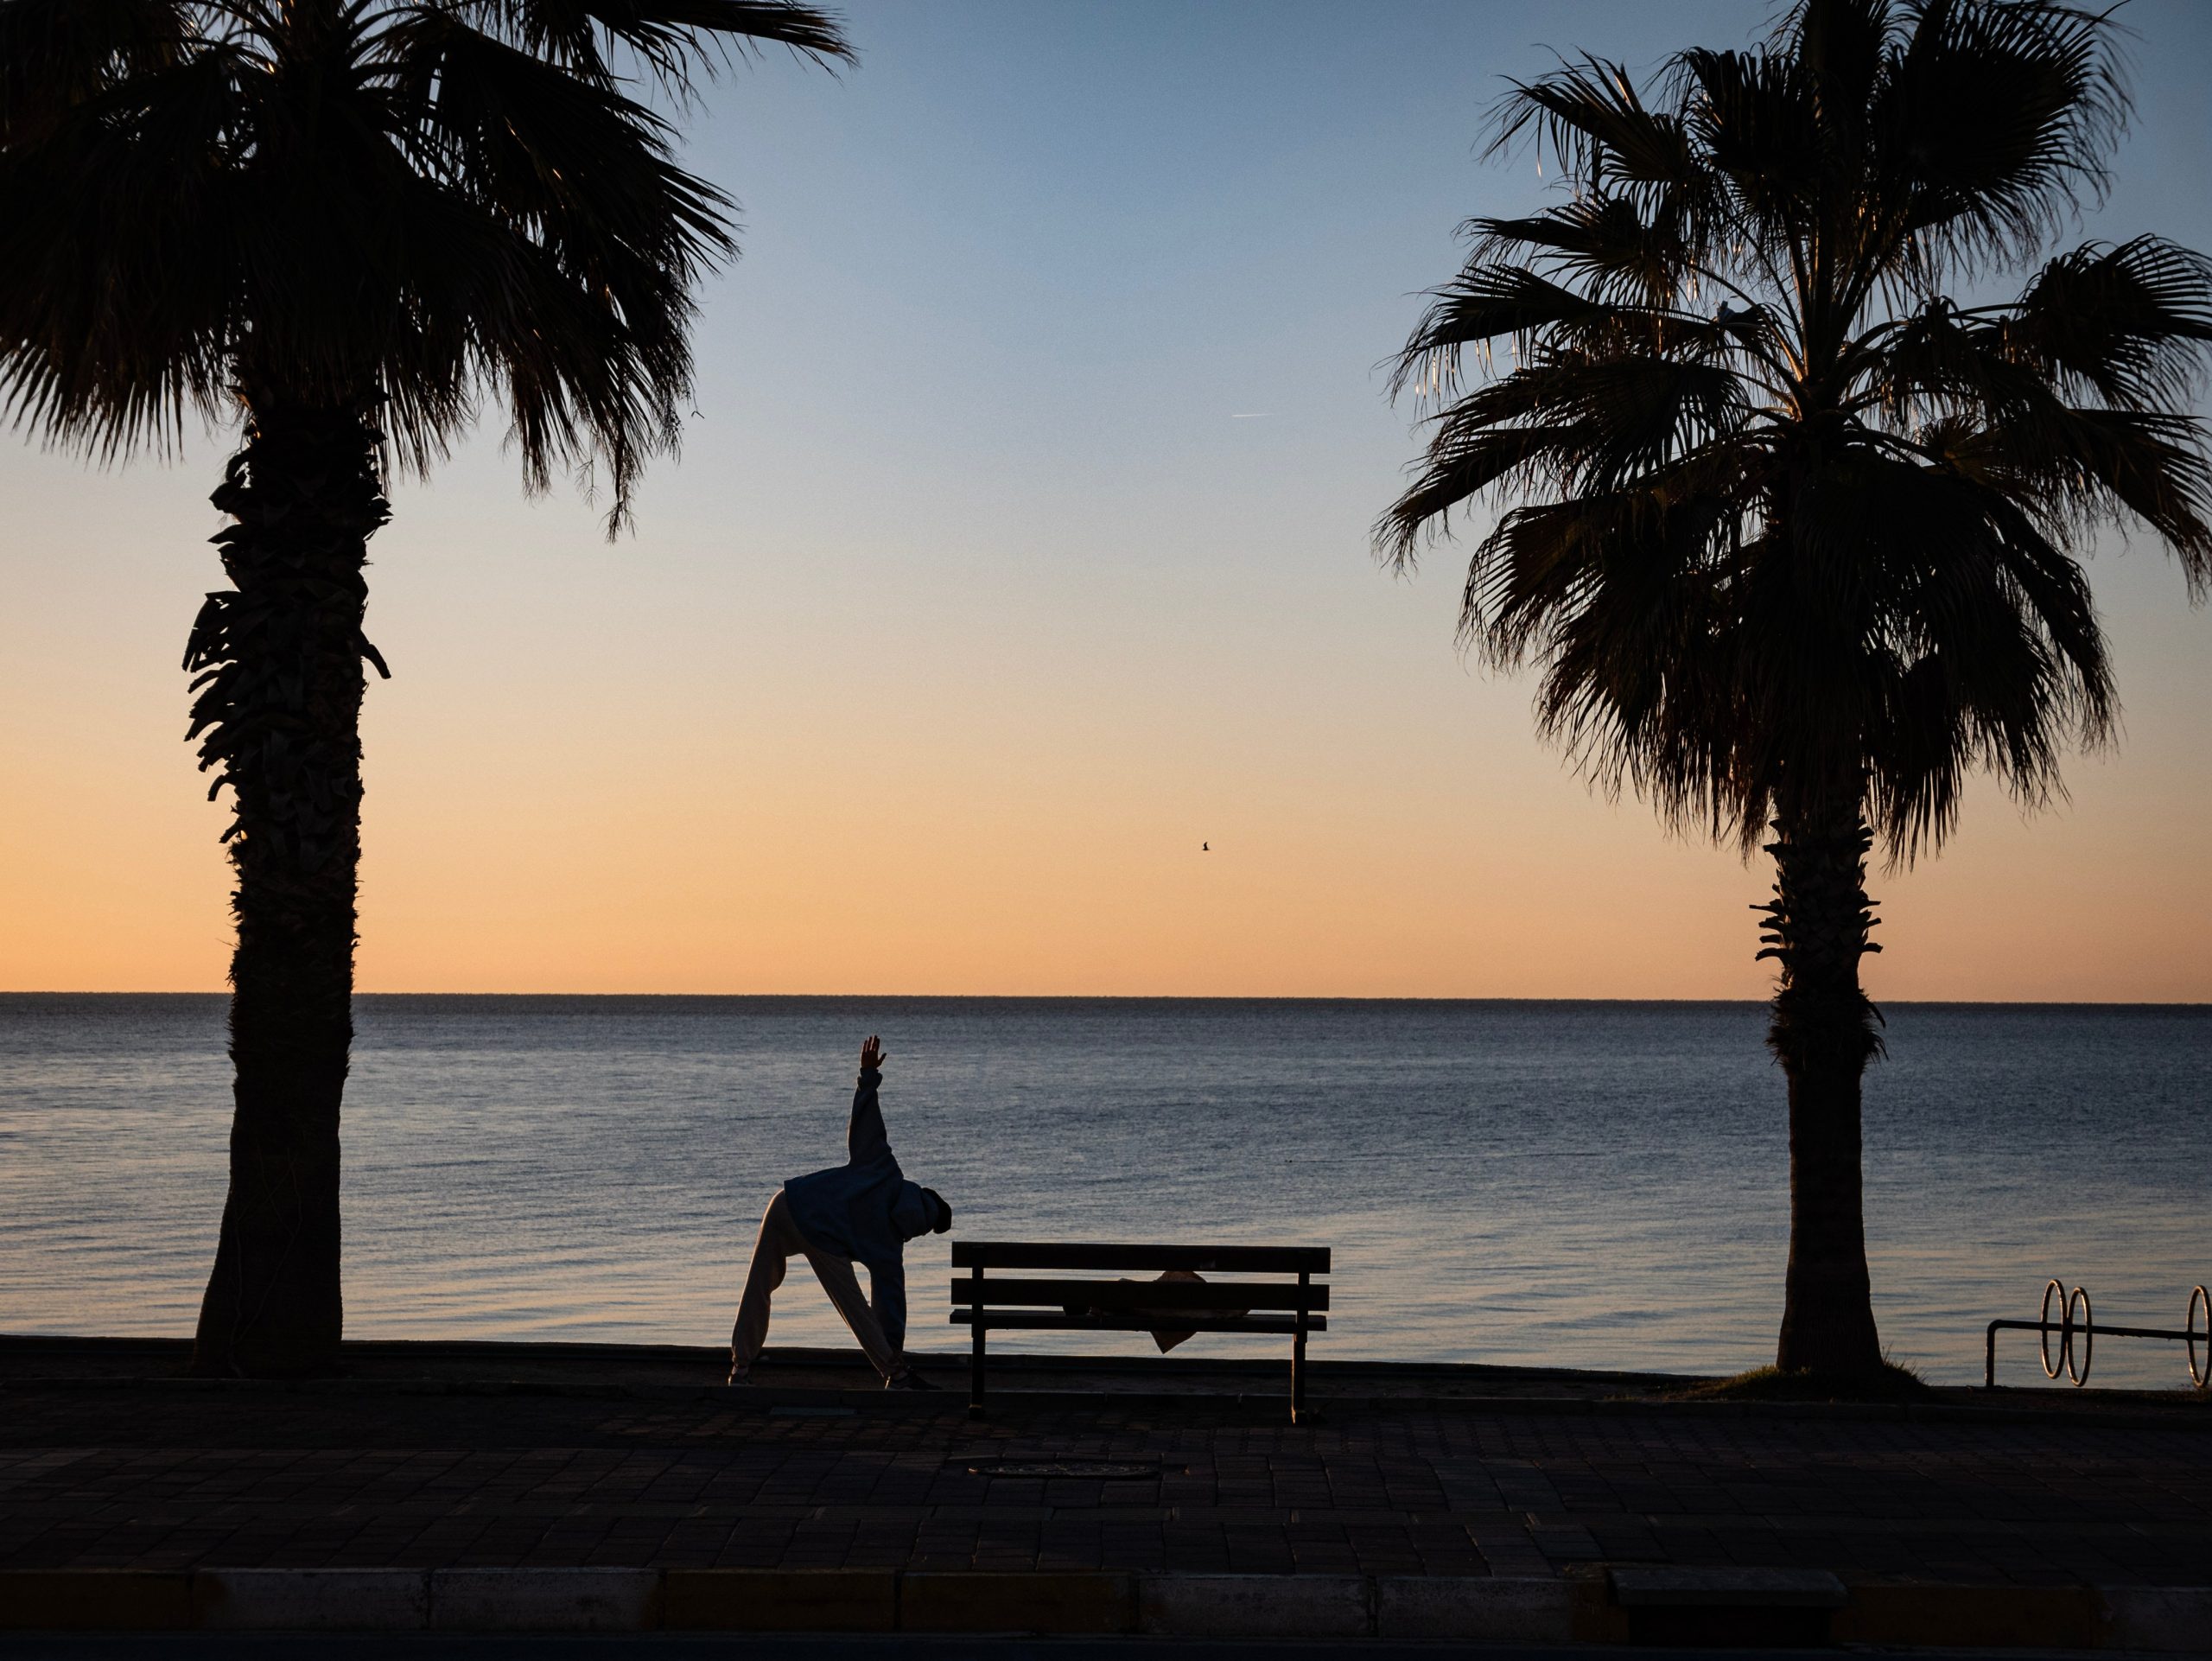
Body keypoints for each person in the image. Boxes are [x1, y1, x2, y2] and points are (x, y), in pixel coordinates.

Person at [728, 1034, 952, 1390]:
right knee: (855, 1307)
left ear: (920, 1192)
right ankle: (896, 1374)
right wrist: (894, 1351)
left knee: (759, 1284)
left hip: (789, 1202)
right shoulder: (890, 1249)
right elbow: (889, 1307)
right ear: (923, 1229)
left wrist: (868, 1076)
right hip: (823, 1236)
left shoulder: (885, 1171)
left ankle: (740, 1369)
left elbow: (866, 1123)